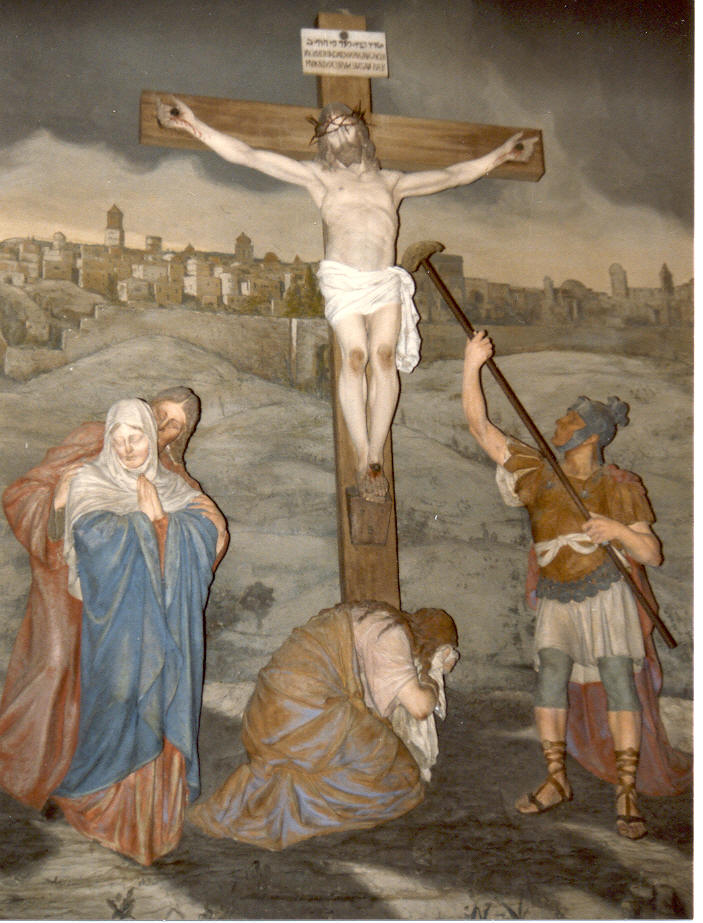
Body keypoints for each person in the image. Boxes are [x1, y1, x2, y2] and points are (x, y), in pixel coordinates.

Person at [156, 98, 537, 500]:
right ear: (323, 143)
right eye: (331, 130)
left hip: (383, 281)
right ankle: (361, 453)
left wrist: (502, 154)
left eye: (347, 125)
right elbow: (248, 155)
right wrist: (192, 124)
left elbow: (453, 174)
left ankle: (374, 456)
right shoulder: (318, 178)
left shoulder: (391, 182)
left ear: (362, 131)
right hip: (343, 281)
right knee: (355, 356)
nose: (341, 134)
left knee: (384, 356)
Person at [462, 330, 691, 840]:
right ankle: (556, 778)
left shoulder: (618, 485)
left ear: (589, 436)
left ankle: (626, 791)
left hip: (606, 593)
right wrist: (472, 364)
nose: (558, 425)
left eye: (568, 420)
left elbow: (651, 553)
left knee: (618, 682)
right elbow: (481, 428)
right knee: (549, 681)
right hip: (556, 594)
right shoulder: (537, 472)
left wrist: (616, 531)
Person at [0, 391, 228, 864]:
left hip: (157, 622)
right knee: (76, 682)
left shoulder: (173, 482)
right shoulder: (90, 465)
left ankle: (150, 819)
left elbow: (209, 531)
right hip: (93, 614)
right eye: (158, 418)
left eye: (169, 427)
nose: (150, 436)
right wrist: (67, 506)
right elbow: (70, 526)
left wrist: (163, 521)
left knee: (154, 703)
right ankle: (71, 788)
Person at [188, 601, 459, 850]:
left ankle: (282, 788)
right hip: (304, 713)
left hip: (271, 714)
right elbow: (420, 707)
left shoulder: (371, 616)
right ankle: (289, 804)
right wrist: (431, 674)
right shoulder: (392, 634)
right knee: (401, 776)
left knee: (374, 742)